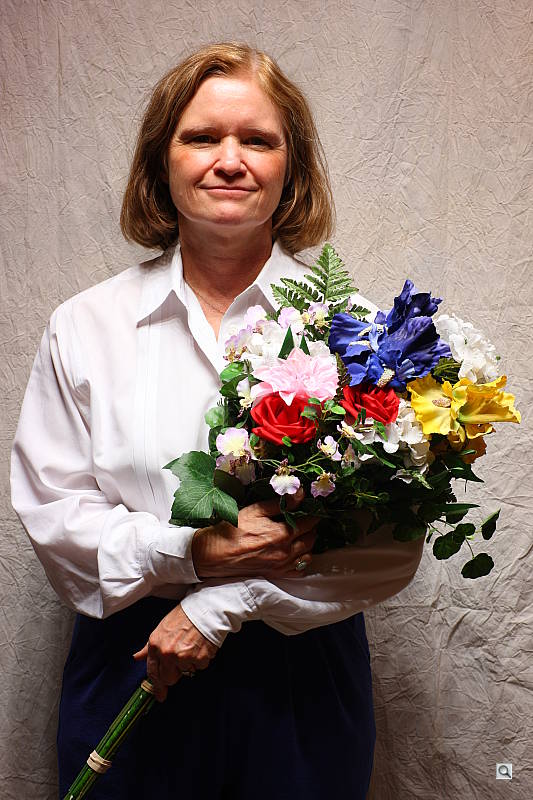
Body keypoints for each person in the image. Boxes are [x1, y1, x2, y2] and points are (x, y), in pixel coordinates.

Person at [11, 42, 424, 800]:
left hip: (301, 686)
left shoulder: (358, 335)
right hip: (134, 663)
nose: (229, 161)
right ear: (160, 161)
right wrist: (190, 553)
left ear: (291, 169)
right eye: (201, 137)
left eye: (258, 141)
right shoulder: (86, 326)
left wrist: (220, 604)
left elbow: (389, 547)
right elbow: (55, 518)